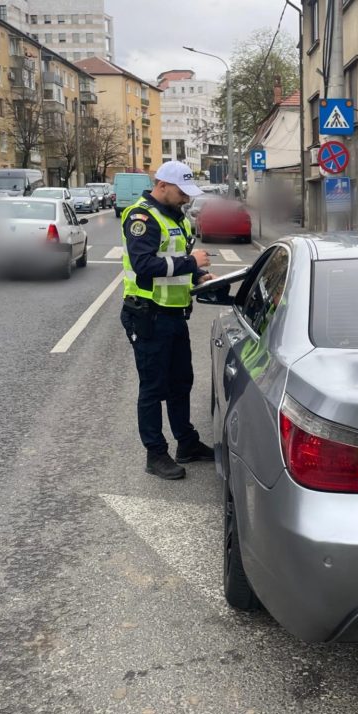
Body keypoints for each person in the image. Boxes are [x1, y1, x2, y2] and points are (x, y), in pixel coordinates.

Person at [119, 160, 217, 480]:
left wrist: (199, 276)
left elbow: (176, 267)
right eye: (182, 192)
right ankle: (155, 454)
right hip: (147, 315)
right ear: (162, 186)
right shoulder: (140, 216)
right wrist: (191, 262)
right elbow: (145, 265)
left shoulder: (178, 217)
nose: (187, 198)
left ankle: (186, 443)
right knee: (153, 388)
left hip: (175, 315)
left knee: (180, 383)